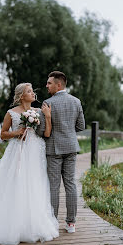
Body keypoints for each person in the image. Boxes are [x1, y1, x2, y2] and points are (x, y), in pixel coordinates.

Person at [0, 83, 59, 245]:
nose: (33, 93)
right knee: (17, 183)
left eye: (32, 91)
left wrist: (47, 117)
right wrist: (16, 133)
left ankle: (34, 224)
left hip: (36, 152)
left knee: (36, 185)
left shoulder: (39, 112)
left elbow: (47, 133)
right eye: (29, 91)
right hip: (18, 151)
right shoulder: (11, 114)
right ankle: (12, 225)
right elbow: (2, 134)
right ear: (21, 96)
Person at [37, 71, 85, 233]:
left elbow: (42, 130)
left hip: (54, 149)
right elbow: (81, 127)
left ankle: (53, 222)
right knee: (71, 184)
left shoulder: (47, 103)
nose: (46, 85)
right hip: (71, 147)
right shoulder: (76, 101)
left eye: (49, 83)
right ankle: (71, 224)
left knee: (54, 186)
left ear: (59, 85)